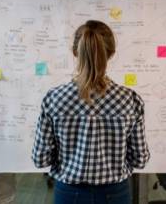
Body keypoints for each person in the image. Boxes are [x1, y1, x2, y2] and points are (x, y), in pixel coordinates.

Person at [32, 20, 150, 204]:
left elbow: (40, 159)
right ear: (110, 54)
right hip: (115, 194)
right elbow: (140, 159)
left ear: (74, 52)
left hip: (69, 193)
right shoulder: (130, 100)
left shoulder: (54, 98)